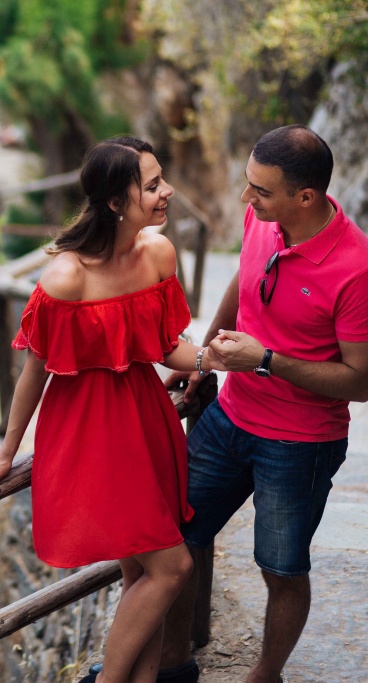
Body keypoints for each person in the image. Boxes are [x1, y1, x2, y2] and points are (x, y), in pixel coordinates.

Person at [0, 136, 224, 683]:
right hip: (91, 433)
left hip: (146, 416)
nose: (167, 191)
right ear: (114, 202)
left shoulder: (158, 253)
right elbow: (34, 370)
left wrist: (211, 358)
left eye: (162, 179)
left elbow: (166, 346)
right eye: (152, 185)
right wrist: (8, 449)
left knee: (142, 574)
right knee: (172, 566)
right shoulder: (67, 277)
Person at [146, 124, 368, 683]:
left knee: (281, 569)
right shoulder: (263, 219)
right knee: (175, 534)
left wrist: (265, 360)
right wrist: (204, 358)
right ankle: (173, 663)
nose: (246, 198)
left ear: (305, 197)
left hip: (300, 444)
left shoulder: (357, 269)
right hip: (230, 417)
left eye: (260, 190)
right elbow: (244, 278)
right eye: (248, 183)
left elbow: (361, 382)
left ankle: (265, 675)